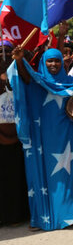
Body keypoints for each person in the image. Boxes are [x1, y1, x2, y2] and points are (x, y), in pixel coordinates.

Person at [8, 47, 73, 230]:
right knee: (52, 181)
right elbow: (25, 78)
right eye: (49, 61)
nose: (53, 64)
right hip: (45, 139)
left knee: (71, 177)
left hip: (70, 137)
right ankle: (49, 215)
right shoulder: (39, 81)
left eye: (57, 61)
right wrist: (20, 60)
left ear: (63, 62)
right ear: (44, 63)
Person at [0, 42, 29, 226]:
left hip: (19, 136)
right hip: (1, 139)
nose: (4, 54)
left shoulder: (16, 74)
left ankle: (17, 215)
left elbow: (28, 82)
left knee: (17, 177)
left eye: (8, 51)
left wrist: (19, 61)